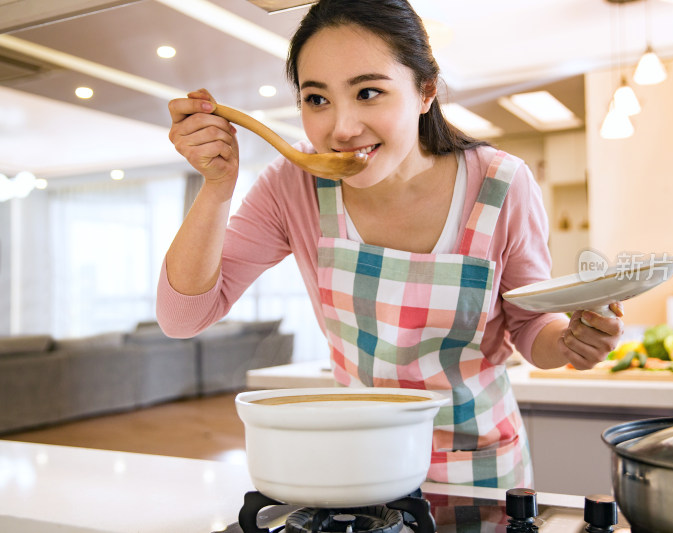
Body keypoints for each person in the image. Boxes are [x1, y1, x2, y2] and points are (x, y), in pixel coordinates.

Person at [158, 0, 624, 489]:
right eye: (317, 99)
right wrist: (217, 186)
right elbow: (184, 316)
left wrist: (571, 342)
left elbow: (531, 329)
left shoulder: (501, 184)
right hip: (362, 463)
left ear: (425, 91)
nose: (341, 128)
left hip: (480, 467)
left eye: (368, 92)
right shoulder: (291, 187)